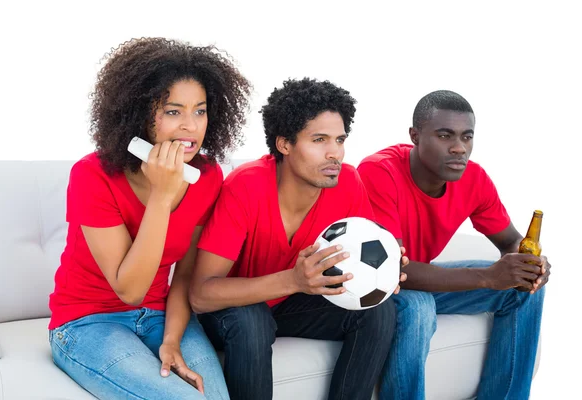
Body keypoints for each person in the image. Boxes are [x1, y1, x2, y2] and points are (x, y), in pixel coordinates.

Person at [48, 37, 251, 400]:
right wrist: (162, 195)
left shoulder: (205, 177)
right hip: (88, 322)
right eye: (173, 112)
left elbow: (185, 275)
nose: (191, 126)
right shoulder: (91, 175)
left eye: (200, 111)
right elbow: (129, 289)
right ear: (138, 113)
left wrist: (172, 340)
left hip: (160, 317)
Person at [189, 77, 406, 400]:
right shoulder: (245, 187)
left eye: (340, 139)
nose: (335, 153)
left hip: (292, 305)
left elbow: (357, 257)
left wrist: (382, 275)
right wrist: (293, 280)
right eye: (319, 140)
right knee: (252, 319)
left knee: (379, 310)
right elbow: (201, 295)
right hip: (234, 309)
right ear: (284, 144)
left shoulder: (347, 182)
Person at [357, 89, 551, 400]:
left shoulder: (474, 180)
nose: (459, 148)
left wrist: (526, 266)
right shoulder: (379, 172)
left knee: (524, 289)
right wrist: (488, 277)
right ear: (416, 136)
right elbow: (391, 271)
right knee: (417, 307)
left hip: (419, 279)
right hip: (374, 287)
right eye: (445, 136)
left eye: (467, 137)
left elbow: (511, 241)